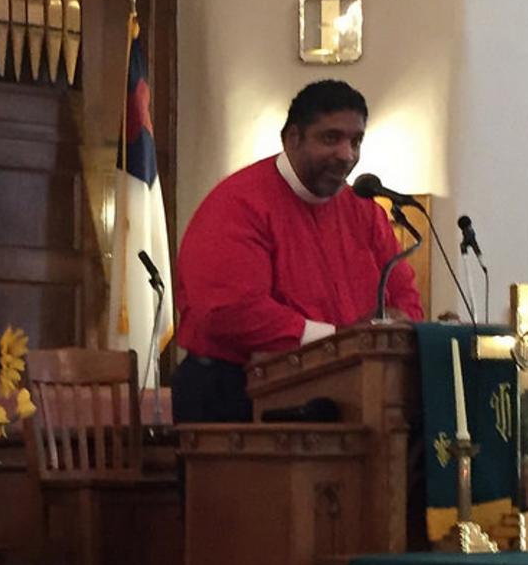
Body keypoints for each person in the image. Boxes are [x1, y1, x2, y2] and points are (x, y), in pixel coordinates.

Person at [173, 80, 423, 422]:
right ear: (293, 138)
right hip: (237, 394)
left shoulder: (364, 210)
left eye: (356, 141)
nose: (346, 155)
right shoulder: (239, 204)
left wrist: (403, 325)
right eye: (330, 138)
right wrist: (340, 342)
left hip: (347, 392)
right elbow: (229, 311)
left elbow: (404, 295)